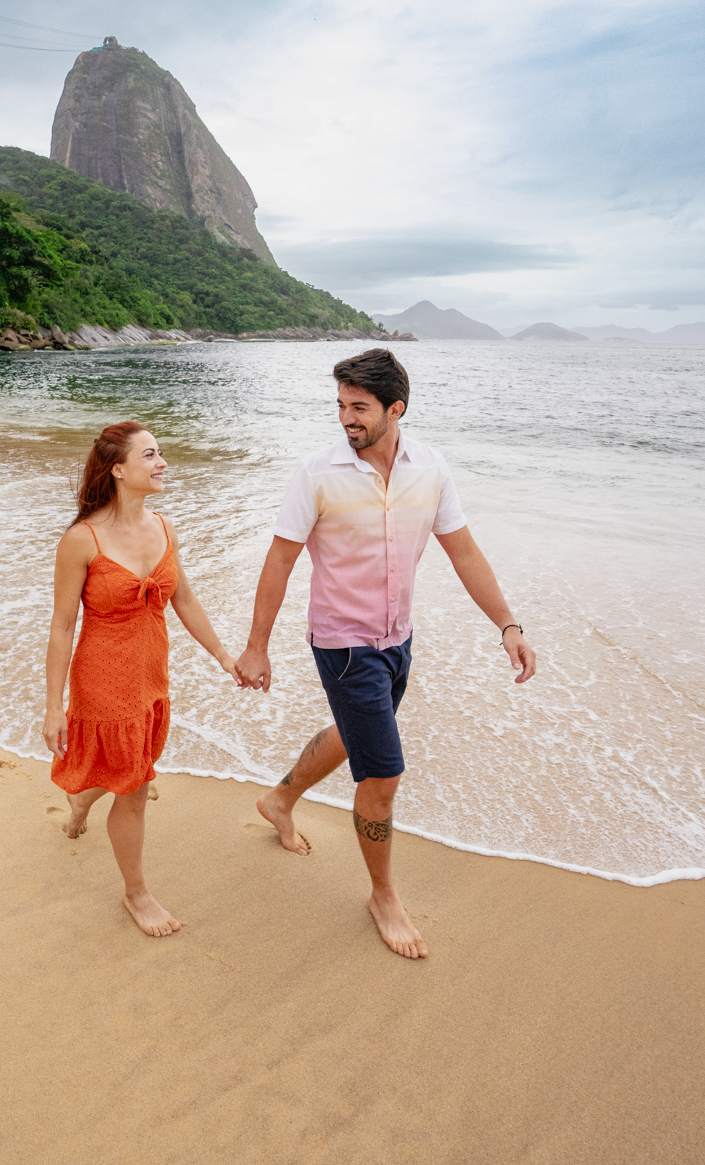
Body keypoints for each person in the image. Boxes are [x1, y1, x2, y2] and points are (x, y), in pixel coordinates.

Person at [235, 349, 536, 959]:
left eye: (359, 407)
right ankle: (383, 896)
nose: (346, 417)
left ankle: (279, 799)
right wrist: (256, 646)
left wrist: (507, 623)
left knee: (358, 737)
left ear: (395, 409)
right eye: (340, 405)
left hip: (399, 638)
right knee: (383, 774)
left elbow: (464, 551)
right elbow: (281, 559)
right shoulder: (317, 473)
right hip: (343, 644)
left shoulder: (431, 468)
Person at [43, 420, 241, 937]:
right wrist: (53, 706)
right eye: (150, 455)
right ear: (118, 470)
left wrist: (224, 656)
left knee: (129, 771)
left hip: (152, 675)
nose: (162, 463)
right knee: (133, 787)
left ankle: (81, 799)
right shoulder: (81, 540)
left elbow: (185, 599)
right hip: (103, 681)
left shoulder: (164, 527)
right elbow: (62, 626)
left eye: (160, 453)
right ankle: (136, 894)